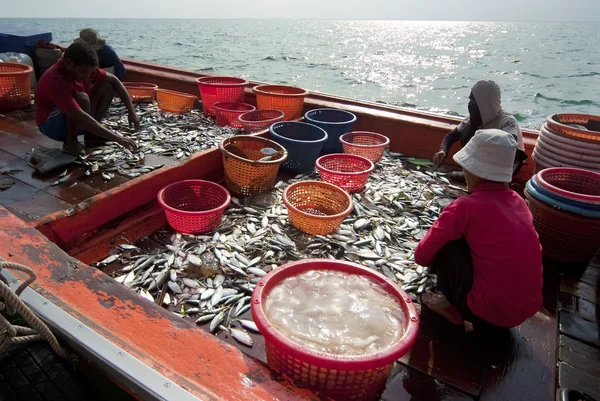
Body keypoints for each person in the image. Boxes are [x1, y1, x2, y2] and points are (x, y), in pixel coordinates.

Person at [415, 129, 543, 331]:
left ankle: (453, 308)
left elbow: (421, 257)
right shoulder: (519, 202)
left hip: (482, 312)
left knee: (449, 243)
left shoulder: (464, 207)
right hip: (523, 312)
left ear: (473, 170)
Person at [35, 41, 139, 156]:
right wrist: (118, 139)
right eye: (83, 72)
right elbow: (79, 116)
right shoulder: (54, 80)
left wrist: (131, 112)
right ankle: (71, 142)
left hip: (77, 117)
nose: (87, 76)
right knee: (81, 98)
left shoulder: (84, 67)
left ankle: (91, 134)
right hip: (51, 125)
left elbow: (115, 81)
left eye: (89, 72)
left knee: (106, 86)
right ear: (68, 63)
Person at [432, 80, 528, 178]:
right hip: (483, 164)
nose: (470, 104)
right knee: (467, 131)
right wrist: (443, 150)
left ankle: (478, 177)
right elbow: (452, 135)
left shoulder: (506, 121)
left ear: (484, 103)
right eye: (470, 100)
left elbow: (510, 150)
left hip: (505, 169)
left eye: (473, 101)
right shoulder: (473, 118)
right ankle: (473, 174)